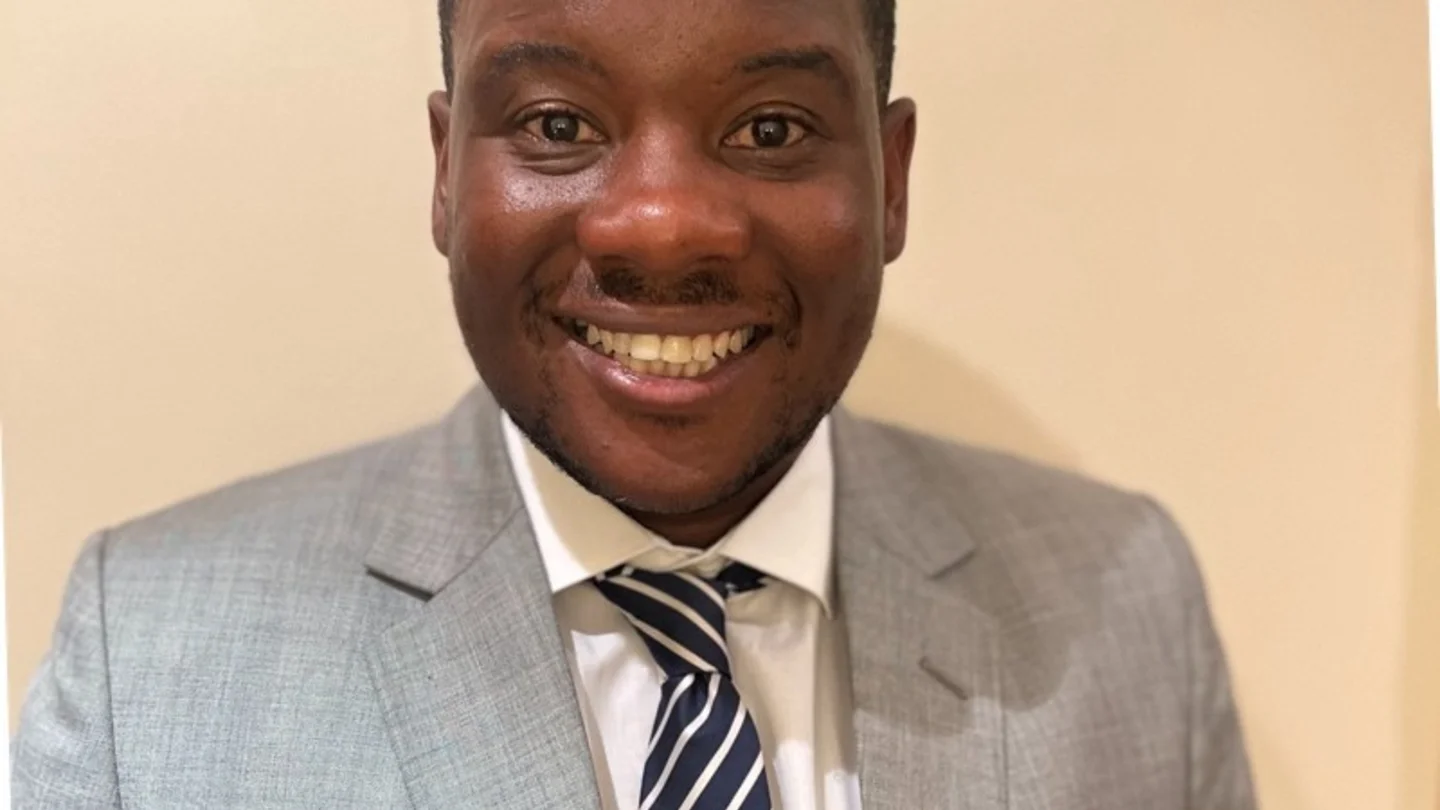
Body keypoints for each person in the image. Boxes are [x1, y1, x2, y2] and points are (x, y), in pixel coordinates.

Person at [12, 0, 1257, 807]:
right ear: (446, 171)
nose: (661, 226)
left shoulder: (1125, 608)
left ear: (890, 180)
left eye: (770, 129)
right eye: (558, 123)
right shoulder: (148, 664)